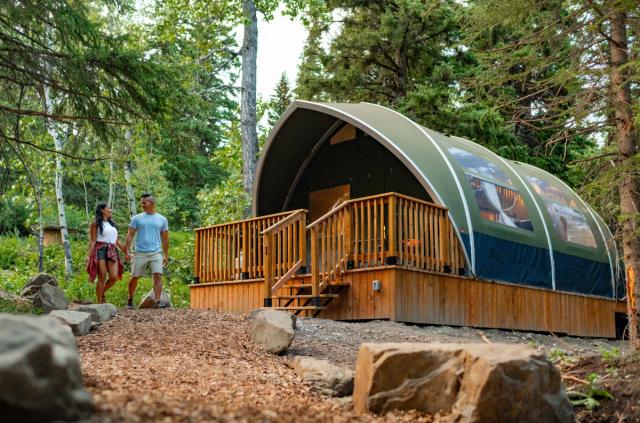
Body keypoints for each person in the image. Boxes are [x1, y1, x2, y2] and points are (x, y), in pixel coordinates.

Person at [124, 193, 169, 309]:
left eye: (144, 202)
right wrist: (126, 250)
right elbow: (130, 235)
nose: (142, 204)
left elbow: (165, 238)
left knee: (158, 275)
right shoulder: (137, 218)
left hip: (156, 252)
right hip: (140, 252)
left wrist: (166, 255)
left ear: (152, 203)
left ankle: (158, 301)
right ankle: (130, 300)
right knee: (135, 277)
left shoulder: (162, 219)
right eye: (141, 203)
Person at [86, 204, 124, 303]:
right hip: (100, 250)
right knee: (102, 277)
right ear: (102, 210)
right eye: (109, 208)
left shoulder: (112, 224)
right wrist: (89, 256)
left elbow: (117, 241)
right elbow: (93, 240)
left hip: (112, 250)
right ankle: (99, 303)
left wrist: (126, 251)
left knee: (113, 277)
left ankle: (102, 293)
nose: (111, 210)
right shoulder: (95, 224)